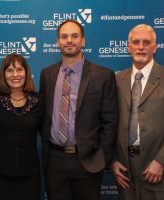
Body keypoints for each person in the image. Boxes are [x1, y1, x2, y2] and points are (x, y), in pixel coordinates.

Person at [39, 19, 118, 200]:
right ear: (57, 42)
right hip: (54, 161)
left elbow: (110, 121)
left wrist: (101, 158)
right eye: (64, 36)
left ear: (83, 41)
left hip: (87, 162)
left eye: (74, 36)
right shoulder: (47, 74)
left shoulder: (103, 76)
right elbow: (44, 116)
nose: (69, 41)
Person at [112, 24, 164, 200]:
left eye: (146, 42)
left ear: (155, 47)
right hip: (126, 172)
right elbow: (108, 123)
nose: (141, 47)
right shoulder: (116, 80)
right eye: (136, 42)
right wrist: (112, 160)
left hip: (161, 172)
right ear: (128, 47)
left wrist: (162, 161)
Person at [0, 53, 42, 200]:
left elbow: (49, 132)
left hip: (28, 174)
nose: (15, 74)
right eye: (10, 70)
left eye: (19, 70)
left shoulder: (38, 100)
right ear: (3, 74)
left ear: (26, 73)